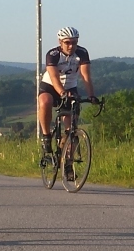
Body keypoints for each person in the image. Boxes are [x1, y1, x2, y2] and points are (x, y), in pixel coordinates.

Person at [37, 26, 96, 162]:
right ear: (60, 42)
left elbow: (86, 76)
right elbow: (54, 77)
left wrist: (91, 95)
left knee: (72, 129)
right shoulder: (53, 54)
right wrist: (62, 92)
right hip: (50, 86)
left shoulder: (82, 53)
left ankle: (67, 162)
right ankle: (46, 136)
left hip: (70, 87)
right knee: (45, 101)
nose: (71, 46)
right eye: (67, 42)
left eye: (74, 42)